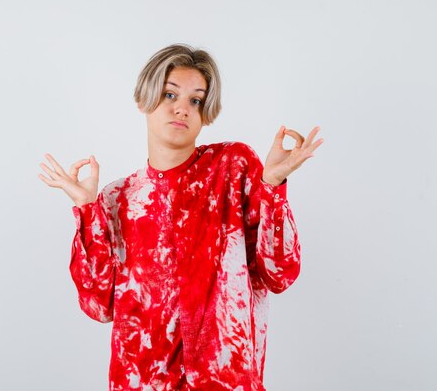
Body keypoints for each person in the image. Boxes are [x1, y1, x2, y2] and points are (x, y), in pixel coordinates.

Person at [38, 44, 323, 391]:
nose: (181, 108)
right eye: (170, 93)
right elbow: (99, 307)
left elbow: (279, 274)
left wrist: (272, 186)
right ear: (145, 99)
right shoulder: (117, 200)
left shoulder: (233, 168)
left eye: (196, 100)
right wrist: (87, 209)